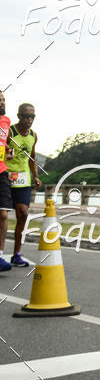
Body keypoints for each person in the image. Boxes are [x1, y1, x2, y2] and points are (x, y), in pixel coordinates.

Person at [6, 103, 41, 267]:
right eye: (26, 116)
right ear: (19, 116)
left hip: (23, 181)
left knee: (23, 214)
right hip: (6, 178)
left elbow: (32, 158)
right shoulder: (9, 132)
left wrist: (36, 176)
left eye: (32, 117)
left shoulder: (33, 135)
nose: (29, 120)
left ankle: (16, 254)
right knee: (2, 216)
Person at [0, 92, 12, 272]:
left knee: (3, 214)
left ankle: (0, 255)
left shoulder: (6, 121)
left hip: (1, 171)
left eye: (3, 100)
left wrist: (9, 151)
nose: (2, 102)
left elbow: (5, 142)